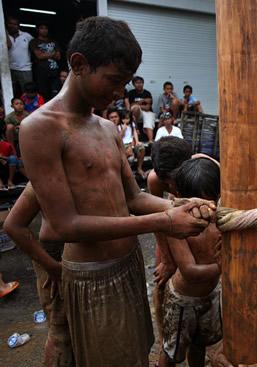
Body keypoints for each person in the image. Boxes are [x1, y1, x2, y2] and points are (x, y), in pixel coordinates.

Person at [18, 16, 215, 367]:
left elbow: (134, 199)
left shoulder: (107, 127)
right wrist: (166, 219)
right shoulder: (40, 129)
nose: (118, 93)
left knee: (136, 353)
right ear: (79, 64)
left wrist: (184, 204)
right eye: (113, 80)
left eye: (124, 83)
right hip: (92, 272)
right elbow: (66, 225)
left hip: (128, 264)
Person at [160, 157, 223, 367]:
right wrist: (224, 266)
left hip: (210, 294)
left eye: (211, 200)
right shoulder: (178, 226)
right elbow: (190, 271)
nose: (206, 208)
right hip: (183, 300)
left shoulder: (220, 218)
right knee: (172, 351)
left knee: (200, 344)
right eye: (199, 202)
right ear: (182, 198)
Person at [4, 183, 73, 366]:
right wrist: (52, 267)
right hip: (55, 260)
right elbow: (13, 226)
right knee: (60, 331)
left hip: (80, 261)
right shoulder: (44, 175)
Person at [147, 137, 193, 336]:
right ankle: (167, 337)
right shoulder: (154, 180)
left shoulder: (202, 166)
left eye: (176, 178)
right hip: (171, 224)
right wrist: (166, 258)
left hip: (197, 224)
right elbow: (158, 221)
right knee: (161, 283)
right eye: (168, 182)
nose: (173, 186)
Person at [29, 22, 61, 101]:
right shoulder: (34, 41)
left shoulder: (53, 41)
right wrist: (53, 53)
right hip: (41, 72)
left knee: (55, 94)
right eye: (42, 28)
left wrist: (45, 54)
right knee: (44, 94)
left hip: (54, 71)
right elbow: (39, 56)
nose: (44, 30)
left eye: (46, 28)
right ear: (37, 30)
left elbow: (58, 56)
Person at [6, 16, 33, 98]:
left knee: (28, 92)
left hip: (25, 69)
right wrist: (4, 33)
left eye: (15, 24)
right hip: (9, 69)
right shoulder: (4, 35)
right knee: (10, 92)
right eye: (10, 23)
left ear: (18, 25)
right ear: (6, 24)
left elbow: (36, 47)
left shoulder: (26, 36)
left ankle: (27, 109)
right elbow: (8, 45)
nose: (12, 26)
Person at [117, 109, 146, 177]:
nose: (125, 120)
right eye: (123, 118)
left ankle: (139, 168)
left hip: (132, 143)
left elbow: (134, 132)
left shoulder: (131, 124)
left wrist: (137, 141)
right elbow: (119, 138)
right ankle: (127, 172)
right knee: (131, 158)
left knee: (141, 148)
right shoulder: (119, 126)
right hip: (124, 145)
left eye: (127, 118)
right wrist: (123, 130)